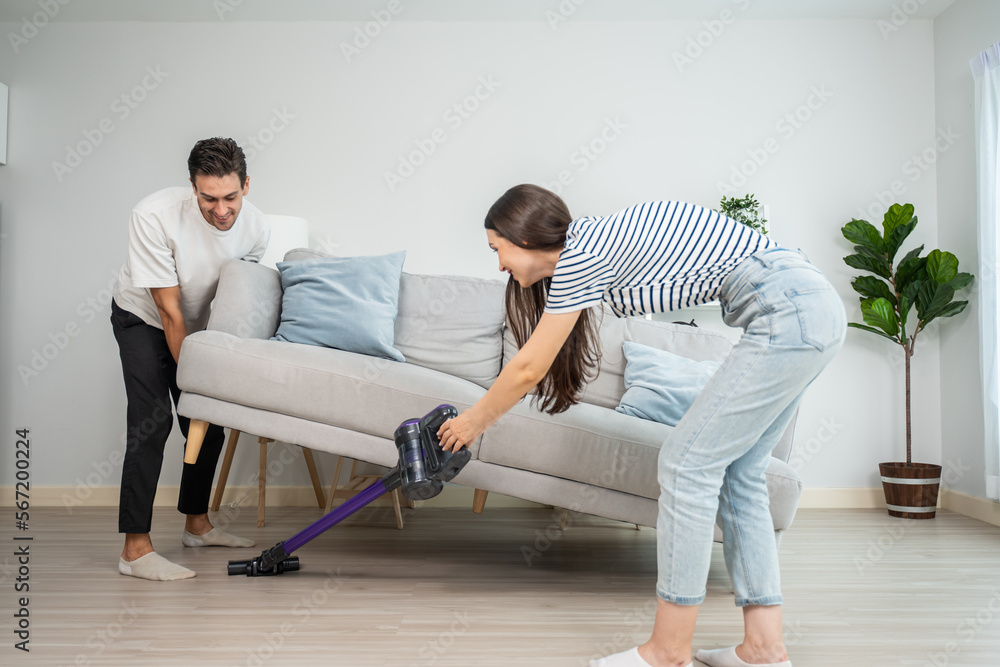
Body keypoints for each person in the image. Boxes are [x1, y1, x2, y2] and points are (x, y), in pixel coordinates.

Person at [437, 184, 846, 667]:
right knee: (741, 474)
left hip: (788, 312)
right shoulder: (592, 250)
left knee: (685, 464)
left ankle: (669, 651)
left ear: (521, 237)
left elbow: (529, 368)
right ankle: (763, 648)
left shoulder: (581, 254)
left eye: (497, 249)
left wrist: (471, 423)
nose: (498, 265)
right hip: (811, 309)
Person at [110, 137, 270, 581]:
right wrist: (193, 383)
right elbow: (169, 311)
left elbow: (236, 302)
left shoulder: (257, 228)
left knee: (208, 421)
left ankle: (196, 526)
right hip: (143, 318)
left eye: (231, 197)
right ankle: (135, 550)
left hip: (200, 324)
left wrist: (215, 376)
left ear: (246, 185)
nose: (221, 210)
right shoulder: (153, 216)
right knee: (154, 419)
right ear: (192, 188)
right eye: (209, 198)